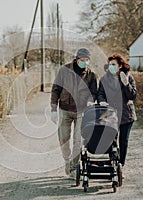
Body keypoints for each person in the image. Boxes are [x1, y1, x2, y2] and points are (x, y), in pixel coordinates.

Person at [50, 48, 98, 177]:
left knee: (78, 141)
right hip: (64, 110)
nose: (85, 62)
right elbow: (55, 89)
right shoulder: (64, 71)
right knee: (64, 139)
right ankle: (67, 160)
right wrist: (53, 109)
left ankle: (73, 167)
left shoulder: (91, 75)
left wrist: (90, 101)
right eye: (82, 60)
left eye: (87, 60)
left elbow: (93, 92)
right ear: (77, 59)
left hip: (81, 111)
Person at [97, 54, 137, 178]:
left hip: (126, 114)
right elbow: (100, 94)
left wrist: (126, 84)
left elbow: (132, 96)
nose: (111, 67)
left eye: (114, 64)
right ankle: (112, 163)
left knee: (123, 142)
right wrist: (101, 101)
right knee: (111, 140)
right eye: (110, 64)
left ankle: (120, 166)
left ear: (120, 66)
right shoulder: (104, 79)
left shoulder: (128, 77)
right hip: (110, 113)